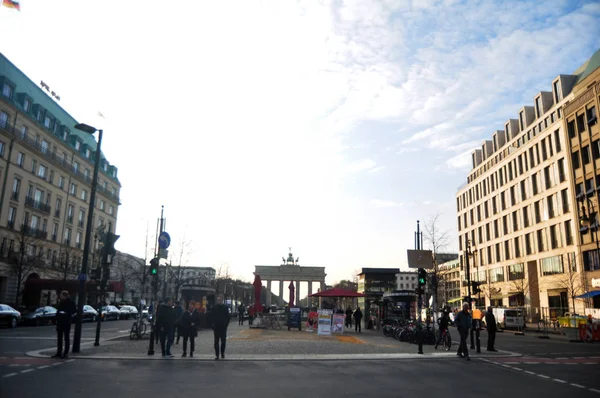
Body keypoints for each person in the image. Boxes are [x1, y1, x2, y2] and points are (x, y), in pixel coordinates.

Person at [53, 290, 76, 359]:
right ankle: (59, 352)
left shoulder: (70, 302)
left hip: (66, 321)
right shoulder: (61, 302)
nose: (60, 297)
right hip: (60, 322)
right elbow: (58, 311)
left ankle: (65, 352)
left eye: (61, 295)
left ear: (65, 296)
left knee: (66, 337)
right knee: (60, 338)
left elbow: (73, 311)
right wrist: (58, 316)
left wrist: (66, 313)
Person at [212, 296, 230, 360]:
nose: (218, 301)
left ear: (222, 300)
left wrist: (225, 325)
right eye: (218, 300)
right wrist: (213, 325)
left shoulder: (225, 307)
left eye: (220, 300)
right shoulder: (215, 308)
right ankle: (217, 355)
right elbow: (212, 316)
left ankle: (222, 353)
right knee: (216, 342)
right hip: (216, 327)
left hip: (223, 327)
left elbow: (228, 317)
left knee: (223, 341)